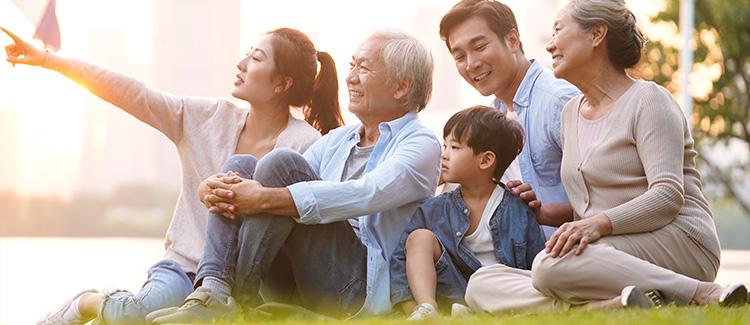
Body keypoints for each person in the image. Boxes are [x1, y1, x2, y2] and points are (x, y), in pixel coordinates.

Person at [2, 26, 344, 324]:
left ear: (282, 83)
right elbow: (132, 93)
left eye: (255, 59)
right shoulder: (204, 118)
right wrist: (50, 60)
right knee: (140, 314)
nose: (240, 65)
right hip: (185, 267)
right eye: (246, 55)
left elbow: (319, 224)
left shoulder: (305, 146)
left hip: (255, 278)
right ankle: (86, 302)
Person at [462, 0, 748, 313]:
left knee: (550, 266)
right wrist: (544, 213)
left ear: (597, 34)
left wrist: (595, 225)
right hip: (611, 250)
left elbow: (667, 196)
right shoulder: (572, 113)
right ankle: (608, 305)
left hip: (677, 240)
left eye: (559, 31)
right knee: (482, 283)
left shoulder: (649, 100)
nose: (550, 44)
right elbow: (590, 208)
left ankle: (701, 291)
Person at [147, 30, 441, 323]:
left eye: (363, 68)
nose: (350, 77)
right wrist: (213, 187)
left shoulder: (420, 144)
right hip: (301, 279)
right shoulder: (338, 140)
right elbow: (267, 178)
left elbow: (368, 193)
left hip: (357, 291)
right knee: (242, 165)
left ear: (402, 87)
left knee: (282, 164)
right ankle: (213, 287)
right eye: (352, 66)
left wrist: (264, 198)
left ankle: (228, 299)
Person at [438, 0, 580, 237]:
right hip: (516, 258)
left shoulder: (559, 101)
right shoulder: (490, 118)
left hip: (568, 253)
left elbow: (604, 200)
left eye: (480, 47)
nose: (471, 64)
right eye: (460, 56)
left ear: (512, 40)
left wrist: (544, 211)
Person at [389, 106, 545, 319]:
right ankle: (427, 309)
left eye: (454, 147)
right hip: (454, 293)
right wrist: (410, 306)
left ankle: (489, 313)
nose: (444, 155)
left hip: (500, 292)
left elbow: (537, 265)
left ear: (485, 160)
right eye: (445, 145)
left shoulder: (517, 209)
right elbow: (400, 260)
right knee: (419, 237)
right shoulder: (435, 209)